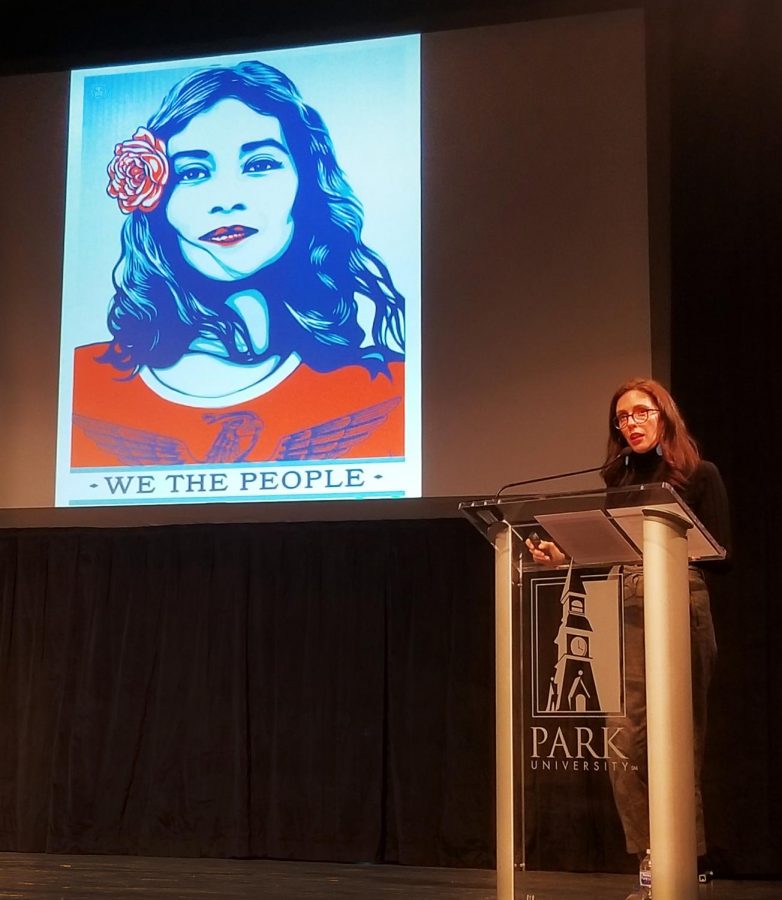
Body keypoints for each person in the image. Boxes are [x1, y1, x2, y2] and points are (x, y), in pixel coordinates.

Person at [71, 61, 406, 467]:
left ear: (307, 184)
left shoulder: (386, 389)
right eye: (193, 172)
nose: (226, 198)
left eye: (260, 164)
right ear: (156, 201)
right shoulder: (79, 382)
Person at [527, 377, 730, 865]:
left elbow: (721, 553)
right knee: (621, 739)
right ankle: (648, 857)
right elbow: (610, 547)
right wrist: (564, 555)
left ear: (664, 415)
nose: (631, 424)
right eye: (622, 418)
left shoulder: (701, 474)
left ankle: (683, 858)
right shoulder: (616, 481)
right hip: (625, 606)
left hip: (682, 599)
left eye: (640, 413)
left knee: (678, 739)